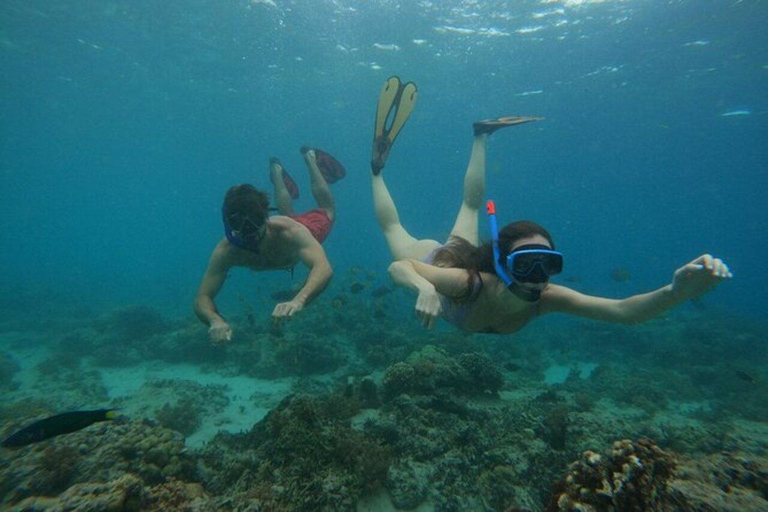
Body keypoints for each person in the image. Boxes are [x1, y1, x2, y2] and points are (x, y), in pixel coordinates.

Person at [369, 76, 732, 333]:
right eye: (526, 264)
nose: (539, 278)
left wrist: (675, 293)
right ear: (502, 263)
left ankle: (481, 135)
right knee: (395, 230)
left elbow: (623, 312)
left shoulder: (546, 297)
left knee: (470, 207)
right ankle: (377, 170)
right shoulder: (468, 283)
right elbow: (400, 267)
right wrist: (425, 287)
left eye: (548, 264)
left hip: (465, 257)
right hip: (439, 259)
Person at [195, 147, 346, 345]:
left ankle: (310, 159)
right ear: (230, 224)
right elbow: (202, 297)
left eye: (256, 221)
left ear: (265, 216)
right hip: (284, 230)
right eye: (239, 225)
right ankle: (276, 171)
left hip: (305, 228)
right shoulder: (227, 251)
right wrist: (214, 320)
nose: (250, 232)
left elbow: (324, 268)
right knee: (287, 214)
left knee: (327, 210)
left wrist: (298, 301)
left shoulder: (290, 232)